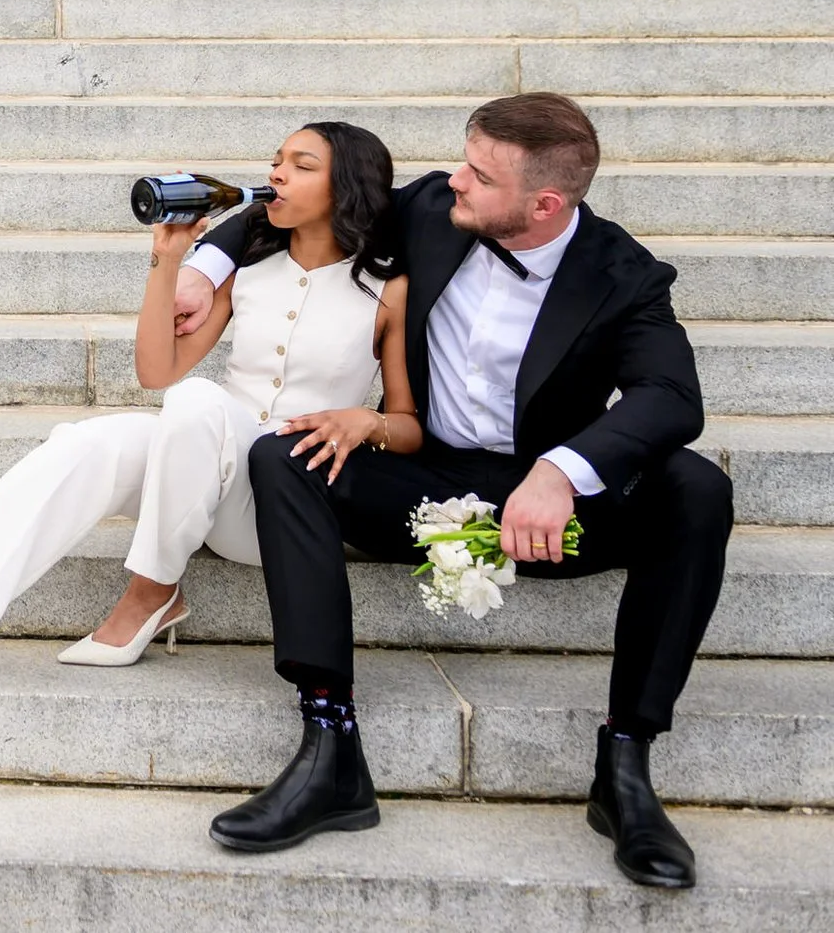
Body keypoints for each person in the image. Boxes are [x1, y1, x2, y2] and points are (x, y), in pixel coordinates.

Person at [174, 93, 730, 890]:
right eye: (464, 159)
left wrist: (563, 470)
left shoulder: (623, 273)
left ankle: (625, 767)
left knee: (696, 489)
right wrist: (205, 263)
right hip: (419, 479)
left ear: (544, 203)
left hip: (542, 510)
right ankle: (331, 750)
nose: (453, 179)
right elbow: (307, 198)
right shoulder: (440, 206)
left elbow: (673, 397)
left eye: (479, 172)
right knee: (284, 454)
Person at [0, 122, 419, 686]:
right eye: (277, 161)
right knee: (95, 440)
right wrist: (168, 258)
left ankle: (151, 590)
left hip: (279, 508)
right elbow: (157, 371)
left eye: (301, 165)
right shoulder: (247, 272)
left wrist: (365, 421)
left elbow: (410, 427)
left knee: (197, 402)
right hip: (202, 463)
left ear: (347, 187)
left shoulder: (387, 291)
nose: (277, 174)